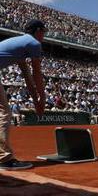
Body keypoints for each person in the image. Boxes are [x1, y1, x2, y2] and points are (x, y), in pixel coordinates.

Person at [0, 19, 47, 170]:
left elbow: (28, 77)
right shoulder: (34, 43)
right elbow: (37, 74)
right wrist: (43, 100)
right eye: (44, 32)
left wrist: (37, 102)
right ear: (38, 31)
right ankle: (4, 159)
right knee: (3, 113)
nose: (44, 36)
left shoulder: (21, 44)